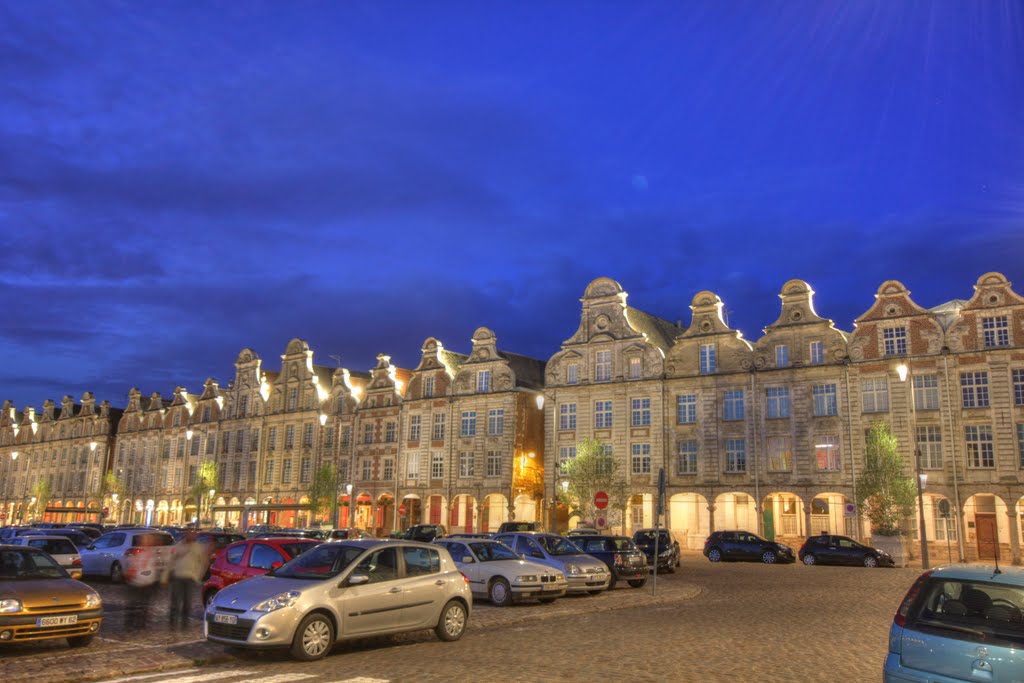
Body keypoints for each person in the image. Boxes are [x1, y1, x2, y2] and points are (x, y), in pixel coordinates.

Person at [162, 531, 210, 630]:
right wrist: (165, 577)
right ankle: (172, 624)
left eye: (193, 534)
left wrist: (197, 576)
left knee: (187, 603)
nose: (191, 536)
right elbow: (171, 562)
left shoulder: (198, 548)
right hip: (178, 577)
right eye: (189, 534)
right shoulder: (179, 546)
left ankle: (184, 624)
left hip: (190, 578)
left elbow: (204, 563)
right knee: (175, 602)